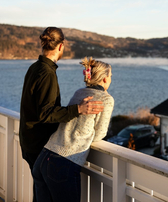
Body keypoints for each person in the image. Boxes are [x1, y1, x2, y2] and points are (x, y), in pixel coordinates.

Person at [19, 27, 104, 201]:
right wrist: (78, 109)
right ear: (61, 45)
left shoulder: (35, 68)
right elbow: (46, 113)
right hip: (39, 144)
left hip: (29, 141)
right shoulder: (46, 73)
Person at [32, 57, 114, 202]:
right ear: (105, 79)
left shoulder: (79, 92)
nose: (111, 79)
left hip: (44, 157)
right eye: (110, 76)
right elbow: (100, 134)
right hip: (63, 163)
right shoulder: (106, 99)